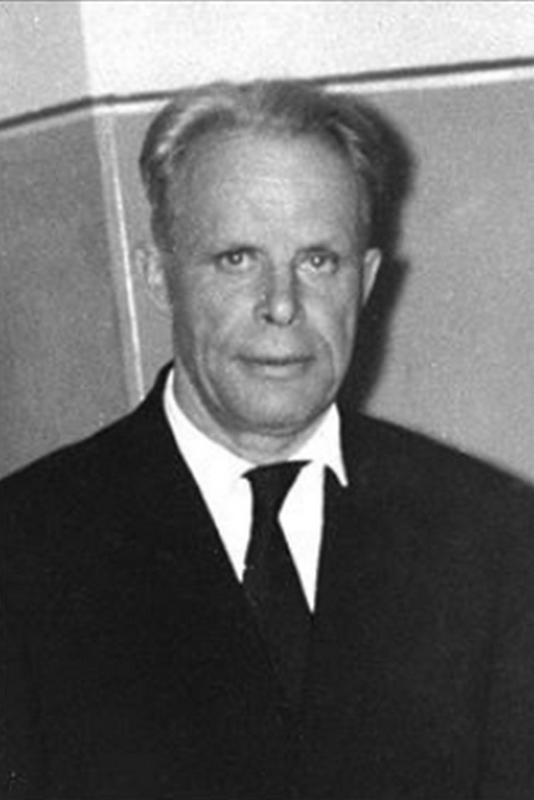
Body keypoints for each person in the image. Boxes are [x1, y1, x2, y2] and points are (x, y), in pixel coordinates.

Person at [1, 80, 534, 800]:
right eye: (236, 259)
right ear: (158, 275)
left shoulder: (491, 536)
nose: (282, 305)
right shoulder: (26, 549)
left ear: (366, 281)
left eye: (318, 261)